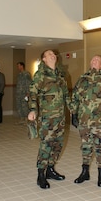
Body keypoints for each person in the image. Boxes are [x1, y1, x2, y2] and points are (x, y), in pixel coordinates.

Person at [70, 55, 101, 187]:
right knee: (85, 146)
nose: (94, 61)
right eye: (92, 60)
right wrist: (73, 113)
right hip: (84, 120)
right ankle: (85, 171)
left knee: (100, 148)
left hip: (100, 120)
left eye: (97, 60)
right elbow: (74, 97)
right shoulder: (82, 79)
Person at [28, 50, 71, 189]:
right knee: (46, 146)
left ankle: (50, 170)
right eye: (49, 54)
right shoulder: (40, 74)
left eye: (54, 54)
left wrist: (73, 111)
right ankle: (41, 174)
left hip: (60, 117)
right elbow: (32, 93)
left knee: (58, 145)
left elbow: (66, 95)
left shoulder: (61, 74)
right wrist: (33, 110)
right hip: (47, 118)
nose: (53, 55)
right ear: (44, 59)